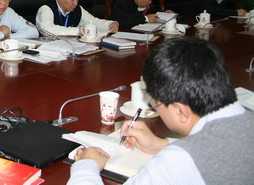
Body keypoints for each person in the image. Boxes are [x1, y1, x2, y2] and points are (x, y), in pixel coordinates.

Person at [67, 37, 254, 185]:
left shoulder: (178, 162)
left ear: (180, 111)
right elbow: (220, 150)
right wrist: (162, 144)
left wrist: (86, 165)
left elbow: (192, 159)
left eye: (156, 104)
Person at [36, 0, 118, 36]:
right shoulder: (46, 8)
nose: (76, 3)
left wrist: (110, 24)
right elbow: (47, 28)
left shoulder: (77, 9)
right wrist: (78, 31)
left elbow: (93, 22)